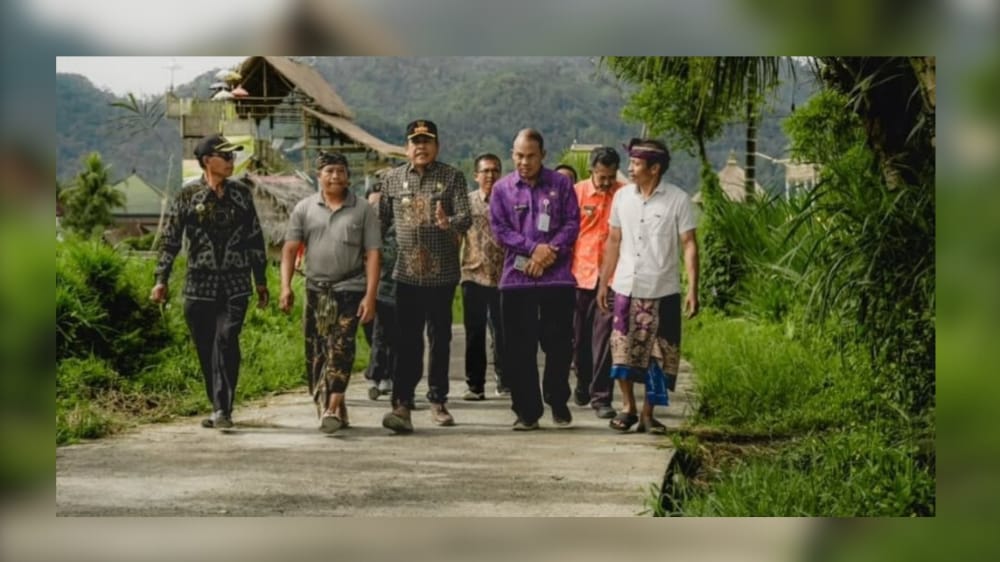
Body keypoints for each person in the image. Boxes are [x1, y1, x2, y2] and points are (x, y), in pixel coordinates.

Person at [150, 133, 269, 429]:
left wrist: (261, 281)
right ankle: (217, 404)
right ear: (207, 161)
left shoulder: (242, 193)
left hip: (235, 284)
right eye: (225, 156)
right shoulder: (187, 196)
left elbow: (255, 239)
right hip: (198, 286)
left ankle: (223, 409)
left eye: (233, 156)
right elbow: (170, 240)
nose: (231, 161)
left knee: (227, 339)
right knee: (206, 347)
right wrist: (161, 279)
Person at [597, 138, 699, 434]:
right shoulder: (622, 198)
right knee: (622, 351)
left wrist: (693, 288)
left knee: (659, 355)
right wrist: (605, 282)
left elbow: (689, 244)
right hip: (626, 285)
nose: (630, 168)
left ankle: (647, 413)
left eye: (636, 164)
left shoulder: (677, 199)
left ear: (654, 169)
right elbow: (614, 240)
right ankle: (627, 406)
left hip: (662, 289)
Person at [379, 120, 472, 433]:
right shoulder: (391, 180)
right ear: (407, 147)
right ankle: (402, 403)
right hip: (405, 275)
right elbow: (380, 225)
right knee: (406, 342)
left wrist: (449, 222)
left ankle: (438, 400)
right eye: (415, 141)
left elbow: (466, 218)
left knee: (440, 340)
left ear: (437, 146)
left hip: (442, 275)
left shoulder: (452, 177)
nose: (421, 147)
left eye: (427, 141)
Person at [279, 151, 380, 433]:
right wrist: (285, 287)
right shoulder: (304, 208)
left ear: (348, 175)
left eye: (340, 171)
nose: (335, 176)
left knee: (342, 347)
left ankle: (331, 408)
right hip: (315, 290)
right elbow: (289, 250)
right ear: (319, 176)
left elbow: (373, 255)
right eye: (329, 171)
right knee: (316, 352)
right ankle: (336, 404)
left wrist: (370, 296)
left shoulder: (362, 210)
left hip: (350, 288)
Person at [490, 129, 580, 430]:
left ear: (543, 154)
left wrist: (549, 251)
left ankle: (557, 399)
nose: (523, 161)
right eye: (518, 155)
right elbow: (500, 229)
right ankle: (527, 411)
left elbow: (572, 222)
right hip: (517, 279)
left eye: (530, 156)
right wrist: (532, 250)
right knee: (518, 348)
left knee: (559, 345)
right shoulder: (502, 189)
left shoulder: (561, 184)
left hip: (557, 278)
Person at [570, 146, 625, 419]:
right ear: (592, 170)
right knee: (580, 340)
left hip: (612, 278)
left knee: (605, 340)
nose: (606, 183)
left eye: (611, 177)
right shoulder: (577, 192)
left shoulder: (624, 193)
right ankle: (583, 380)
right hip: (580, 276)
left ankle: (602, 396)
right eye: (602, 177)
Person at [460, 153, 508, 400]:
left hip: (503, 276)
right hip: (472, 274)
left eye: (495, 170)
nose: (490, 175)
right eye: (486, 171)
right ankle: (475, 385)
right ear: (475, 175)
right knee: (475, 332)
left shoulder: (509, 202)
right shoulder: (466, 203)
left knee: (503, 331)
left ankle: (505, 379)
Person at [362, 177, 400, 402]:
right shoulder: (363, 224)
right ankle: (378, 375)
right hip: (369, 287)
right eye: (374, 204)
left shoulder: (397, 225)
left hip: (395, 285)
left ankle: (385, 376)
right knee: (376, 334)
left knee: (391, 334)